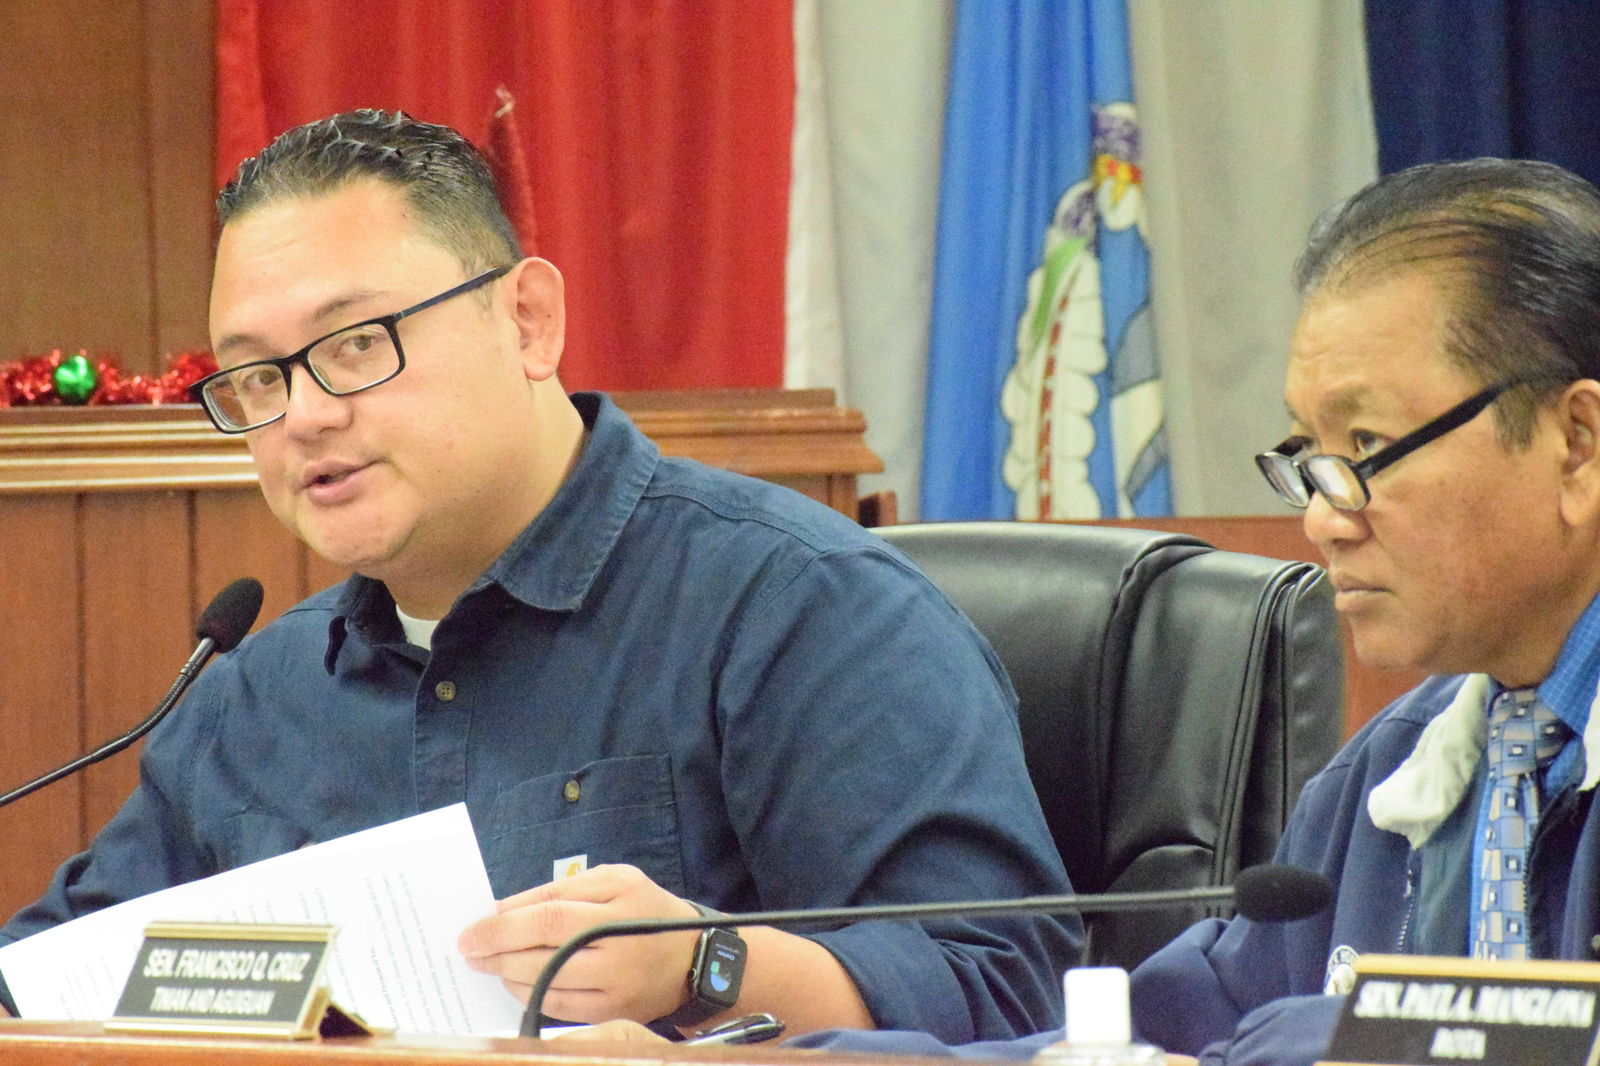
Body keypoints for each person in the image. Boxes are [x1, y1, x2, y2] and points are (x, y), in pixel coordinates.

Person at [0, 109, 1080, 1042]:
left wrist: (709, 965)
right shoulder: (253, 701)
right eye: (257, 376)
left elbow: (1012, 991)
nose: (309, 414)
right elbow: (37, 992)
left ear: (527, 320)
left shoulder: (799, 607)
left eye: (356, 345)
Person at [661, 157, 1600, 1065]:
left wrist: (1314, 1043)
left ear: (1576, 442)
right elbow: (1154, 1042)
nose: (1322, 514)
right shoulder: (1394, 768)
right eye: (1306, 454)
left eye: (1365, 443)